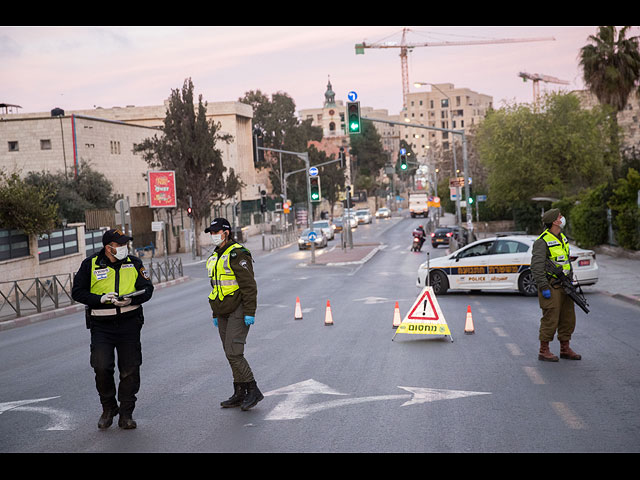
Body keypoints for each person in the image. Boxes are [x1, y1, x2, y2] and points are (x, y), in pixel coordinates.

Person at [72, 228, 154, 429]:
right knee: (101, 366)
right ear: (108, 247)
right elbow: (77, 292)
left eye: (126, 244)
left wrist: (131, 299)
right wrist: (100, 299)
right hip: (101, 326)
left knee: (130, 369)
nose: (125, 248)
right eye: (120, 245)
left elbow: (148, 289)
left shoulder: (134, 263)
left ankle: (126, 413)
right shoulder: (90, 264)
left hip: (129, 323)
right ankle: (109, 408)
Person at [205, 218, 263, 411]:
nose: (213, 236)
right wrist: (215, 312)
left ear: (226, 232)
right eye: (211, 233)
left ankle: (253, 390)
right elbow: (216, 286)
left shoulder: (238, 254)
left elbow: (249, 286)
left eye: (216, 232)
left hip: (238, 308)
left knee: (234, 352)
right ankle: (239, 392)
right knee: (229, 353)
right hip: (222, 310)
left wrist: (249, 312)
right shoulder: (215, 256)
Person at [530, 208, 581, 362]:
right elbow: (536, 266)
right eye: (560, 216)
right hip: (551, 284)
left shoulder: (562, 238)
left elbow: (565, 261)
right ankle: (543, 350)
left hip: (565, 284)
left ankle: (565, 348)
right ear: (554, 221)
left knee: (568, 317)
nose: (562, 218)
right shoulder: (542, 241)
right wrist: (544, 287)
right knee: (551, 317)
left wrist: (570, 280)